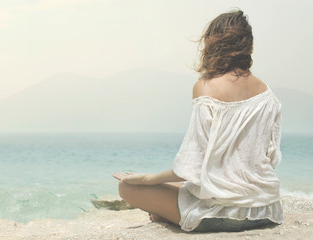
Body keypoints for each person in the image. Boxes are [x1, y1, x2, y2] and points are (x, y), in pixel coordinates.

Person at [112, 9, 283, 232]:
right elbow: (269, 159)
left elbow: (190, 167)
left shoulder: (206, 88)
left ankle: (170, 214)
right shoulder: (268, 95)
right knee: (180, 186)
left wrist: (145, 179)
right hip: (265, 210)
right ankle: (169, 211)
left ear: (213, 44)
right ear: (247, 47)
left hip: (223, 216)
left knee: (127, 188)